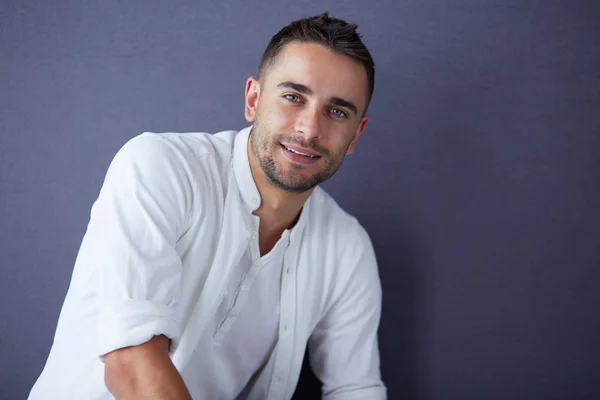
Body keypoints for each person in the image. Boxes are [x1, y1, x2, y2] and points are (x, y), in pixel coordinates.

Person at [29, 12, 385, 400]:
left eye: (337, 112)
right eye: (293, 97)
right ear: (253, 99)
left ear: (355, 135)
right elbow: (130, 359)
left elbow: (354, 387)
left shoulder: (347, 246)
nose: (309, 129)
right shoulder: (159, 166)